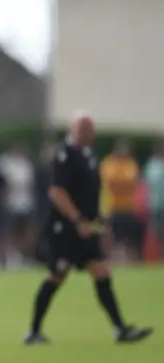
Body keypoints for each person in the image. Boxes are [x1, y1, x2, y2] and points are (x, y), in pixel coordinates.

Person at [25, 113, 153, 345]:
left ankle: (120, 328)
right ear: (75, 130)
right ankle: (33, 332)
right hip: (65, 229)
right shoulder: (65, 155)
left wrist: (98, 215)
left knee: (102, 270)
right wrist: (77, 220)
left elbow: (89, 191)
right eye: (85, 128)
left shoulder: (88, 155)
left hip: (86, 227)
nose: (90, 133)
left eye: (91, 129)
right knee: (56, 276)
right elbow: (56, 192)